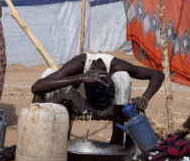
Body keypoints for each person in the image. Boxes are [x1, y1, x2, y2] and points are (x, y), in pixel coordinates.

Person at [30, 53, 164, 146]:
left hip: (110, 108)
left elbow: (157, 74)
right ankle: (34, 137)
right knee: (48, 75)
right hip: (82, 102)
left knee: (123, 77)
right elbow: (36, 87)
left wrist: (145, 98)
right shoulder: (79, 64)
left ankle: (116, 142)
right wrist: (80, 77)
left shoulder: (116, 66)